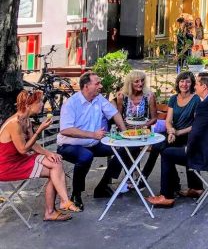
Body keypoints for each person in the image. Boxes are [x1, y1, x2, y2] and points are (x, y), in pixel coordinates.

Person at [147, 73, 208, 207]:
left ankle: (166, 196)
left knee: (167, 153)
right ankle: (196, 188)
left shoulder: (206, 104)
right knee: (169, 148)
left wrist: (188, 148)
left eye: (197, 84)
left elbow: (196, 132)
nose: (195, 86)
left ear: (204, 87)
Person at [0, 90, 81, 221]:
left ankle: (62, 203)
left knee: (56, 163)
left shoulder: (26, 121)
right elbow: (23, 149)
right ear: (28, 105)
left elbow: (33, 145)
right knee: (54, 171)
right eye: (40, 102)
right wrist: (39, 131)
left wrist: (49, 153)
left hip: (19, 159)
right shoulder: (14, 123)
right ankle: (55, 208)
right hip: (7, 166)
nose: (43, 104)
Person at [57, 73, 127, 210]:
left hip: (93, 143)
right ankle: (76, 195)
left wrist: (125, 133)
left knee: (123, 148)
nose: (100, 86)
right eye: (97, 83)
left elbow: (115, 114)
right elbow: (65, 129)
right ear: (86, 86)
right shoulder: (71, 104)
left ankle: (103, 186)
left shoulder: (98, 99)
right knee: (85, 156)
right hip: (69, 145)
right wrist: (92, 135)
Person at [142, 71, 199, 183]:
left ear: (192, 84)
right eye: (182, 81)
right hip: (173, 133)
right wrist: (171, 131)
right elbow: (168, 120)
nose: (184, 84)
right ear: (178, 83)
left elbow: (196, 124)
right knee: (157, 145)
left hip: (188, 136)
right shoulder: (173, 98)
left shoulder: (196, 99)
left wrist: (178, 133)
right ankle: (143, 177)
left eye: (188, 82)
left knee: (165, 151)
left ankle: (174, 182)